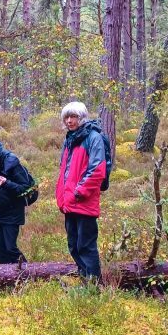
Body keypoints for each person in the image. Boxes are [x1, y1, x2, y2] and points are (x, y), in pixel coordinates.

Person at [56, 102, 107, 282]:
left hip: (84, 202)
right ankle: (85, 279)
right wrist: (62, 196)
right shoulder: (70, 139)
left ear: (82, 118)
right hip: (70, 202)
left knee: (86, 246)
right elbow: (65, 171)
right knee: (73, 246)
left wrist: (79, 192)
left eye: (74, 117)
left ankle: (93, 284)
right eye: (67, 117)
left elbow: (98, 170)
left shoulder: (93, 138)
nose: (70, 121)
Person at [0, 139, 31, 265]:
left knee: (11, 249)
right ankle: (6, 278)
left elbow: (26, 188)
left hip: (12, 215)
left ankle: (28, 273)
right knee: (1, 250)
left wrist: (7, 184)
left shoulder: (14, 166)